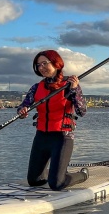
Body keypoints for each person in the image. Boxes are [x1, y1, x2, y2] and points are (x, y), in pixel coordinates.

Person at [17, 50, 89, 191]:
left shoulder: (69, 84)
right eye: (38, 65)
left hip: (62, 137)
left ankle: (82, 175)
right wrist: (22, 111)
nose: (41, 67)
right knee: (34, 181)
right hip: (41, 137)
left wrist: (74, 90)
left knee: (56, 184)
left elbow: (82, 112)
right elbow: (24, 105)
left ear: (56, 63)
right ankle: (56, 172)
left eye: (45, 63)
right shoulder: (36, 87)